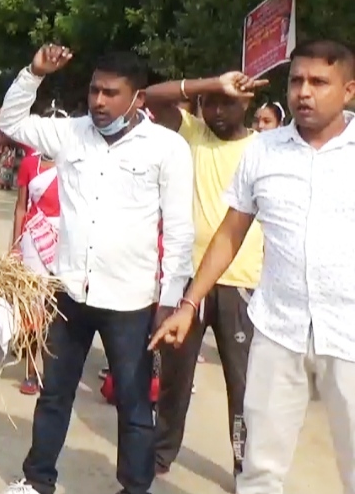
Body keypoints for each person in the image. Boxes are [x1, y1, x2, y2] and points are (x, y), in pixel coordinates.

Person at [153, 39, 355, 494]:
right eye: (296, 80)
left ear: (348, 91)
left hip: (348, 333)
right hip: (277, 329)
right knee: (260, 468)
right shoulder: (263, 152)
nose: (304, 92)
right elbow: (230, 233)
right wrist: (188, 304)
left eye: (319, 82)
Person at [0, 44, 194, 494]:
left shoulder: (167, 149)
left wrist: (169, 303)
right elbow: (10, 123)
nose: (99, 102)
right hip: (71, 294)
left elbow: (180, 232)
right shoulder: (71, 134)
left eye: (111, 93)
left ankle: (135, 486)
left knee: (132, 402)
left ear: (138, 99)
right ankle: (38, 479)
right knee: (54, 394)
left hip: (131, 301)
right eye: (93, 91)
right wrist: (33, 72)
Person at [143, 70, 268, 481]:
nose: (215, 110)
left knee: (243, 386)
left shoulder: (263, 149)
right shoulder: (192, 134)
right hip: (186, 282)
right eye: (209, 102)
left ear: (246, 102)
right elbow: (151, 97)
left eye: (225, 102)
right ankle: (161, 453)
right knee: (175, 379)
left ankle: (244, 466)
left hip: (241, 283)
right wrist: (211, 83)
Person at [9, 102, 65, 395]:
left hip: (65, 238)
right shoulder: (30, 163)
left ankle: (54, 373)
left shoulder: (73, 162)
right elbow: (21, 208)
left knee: (58, 309)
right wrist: (15, 246)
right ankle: (31, 370)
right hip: (33, 236)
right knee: (32, 307)